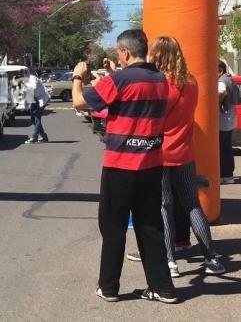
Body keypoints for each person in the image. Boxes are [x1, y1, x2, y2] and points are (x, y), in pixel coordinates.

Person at [71, 29, 176, 304]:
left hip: (120, 165)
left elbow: (79, 101)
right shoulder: (160, 79)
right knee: (151, 226)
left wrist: (77, 77)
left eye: (118, 52)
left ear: (125, 52)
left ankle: (109, 287)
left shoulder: (120, 79)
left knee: (113, 226)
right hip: (151, 163)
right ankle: (162, 287)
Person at [145, 36, 226, 277]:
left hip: (159, 153)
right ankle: (211, 257)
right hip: (184, 152)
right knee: (192, 204)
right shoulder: (191, 82)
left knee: (164, 206)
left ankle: (170, 262)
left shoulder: (158, 84)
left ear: (157, 55)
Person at [217, 61, 237, 184]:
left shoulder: (221, 81)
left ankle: (224, 174)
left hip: (222, 120)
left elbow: (220, 93)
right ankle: (229, 175)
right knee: (227, 148)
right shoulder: (230, 80)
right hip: (230, 119)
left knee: (221, 149)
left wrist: (216, 101)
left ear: (220, 70)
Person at [24, 72, 49, 143]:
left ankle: (34, 137)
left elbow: (33, 87)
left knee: (37, 118)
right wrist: (26, 105)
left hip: (41, 99)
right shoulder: (26, 80)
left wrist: (26, 84)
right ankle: (43, 136)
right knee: (32, 119)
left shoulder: (32, 78)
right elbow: (28, 93)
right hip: (35, 99)